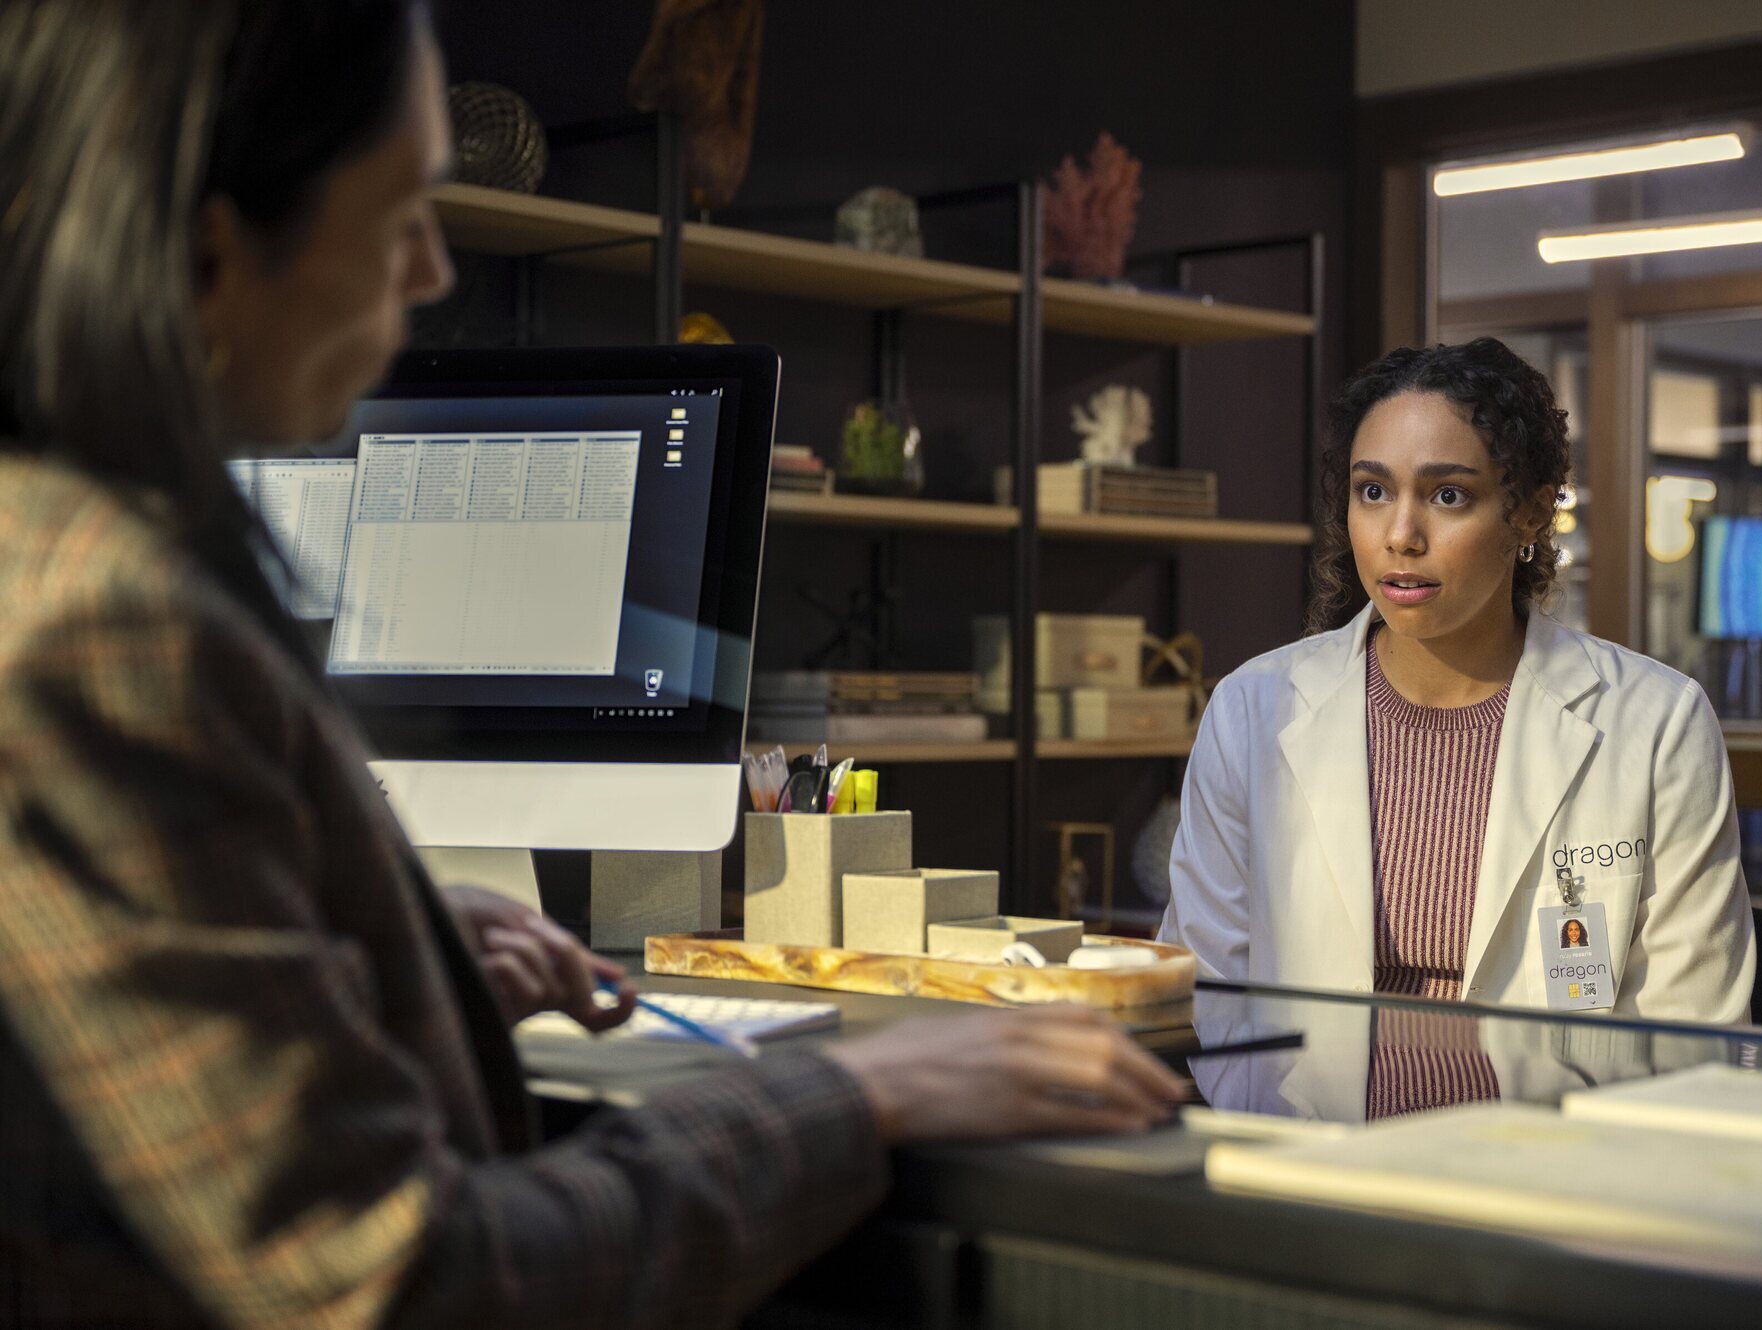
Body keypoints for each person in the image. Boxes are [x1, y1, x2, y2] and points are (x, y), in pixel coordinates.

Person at [0, 3, 1181, 1324]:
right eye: (400, 217)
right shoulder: (92, 624)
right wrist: (858, 1092)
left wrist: (398, 952)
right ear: (214, 250)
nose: (435, 273)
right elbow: (400, 1281)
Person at [1162, 339, 1755, 1024]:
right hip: (1304, 1126)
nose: (1401, 535)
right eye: (1373, 491)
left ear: (1531, 513)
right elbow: (1207, 997)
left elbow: (1689, 1028)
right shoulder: (1249, 712)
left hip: (1552, 1129)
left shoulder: (1657, 725)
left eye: (1448, 495)